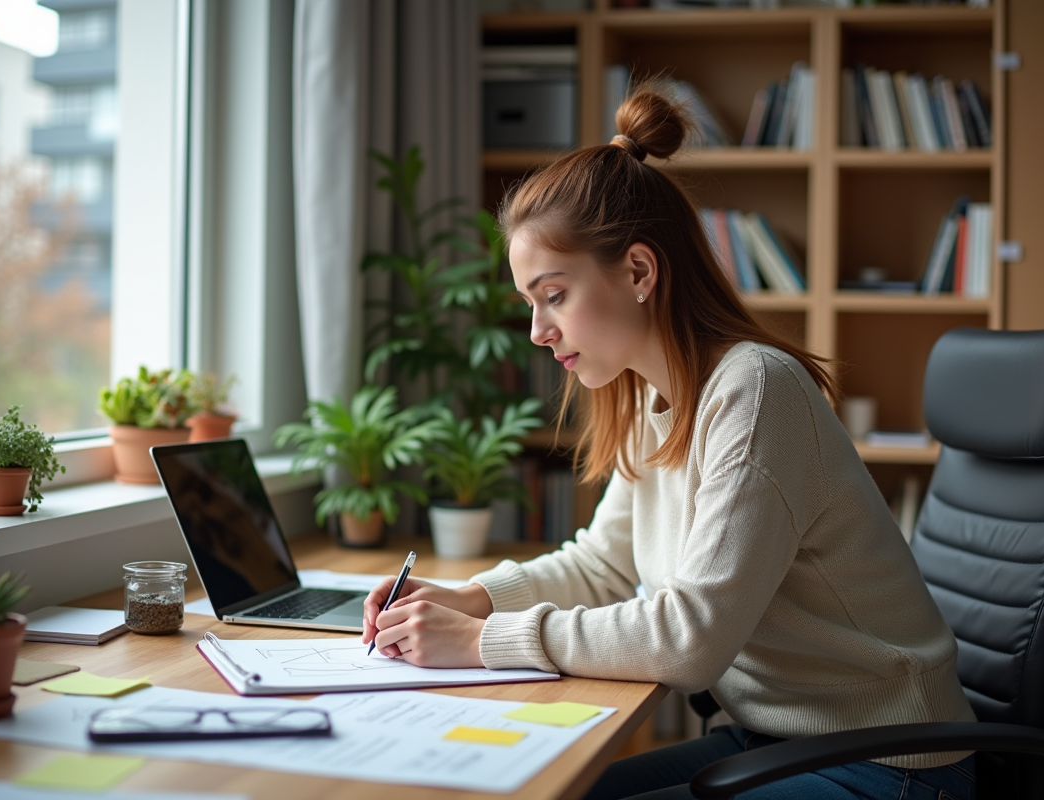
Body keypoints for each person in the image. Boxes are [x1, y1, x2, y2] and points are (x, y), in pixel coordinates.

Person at [361, 85, 977, 800]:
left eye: (554, 295)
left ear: (640, 272)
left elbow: (691, 637)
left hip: (887, 760)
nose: (538, 331)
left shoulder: (754, 391)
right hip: (777, 739)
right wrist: (473, 598)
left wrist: (481, 643)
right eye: (530, 303)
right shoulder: (653, 395)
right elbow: (603, 565)